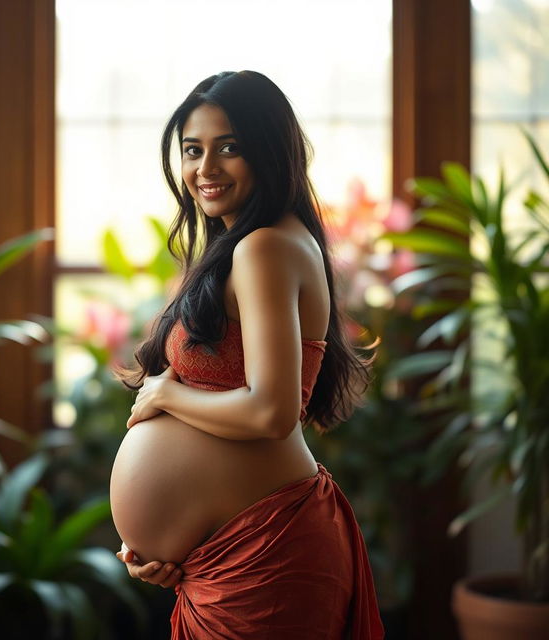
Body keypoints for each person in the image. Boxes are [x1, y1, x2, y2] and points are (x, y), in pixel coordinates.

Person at [109, 70, 384, 639]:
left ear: (268, 150)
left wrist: (167, 393)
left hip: (268, 554)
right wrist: (166, 542)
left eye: (228, 148)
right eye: (192, 150)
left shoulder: (263, 247)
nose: (205, 169)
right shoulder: (249, 245)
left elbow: (271, 412)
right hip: (224, 559)